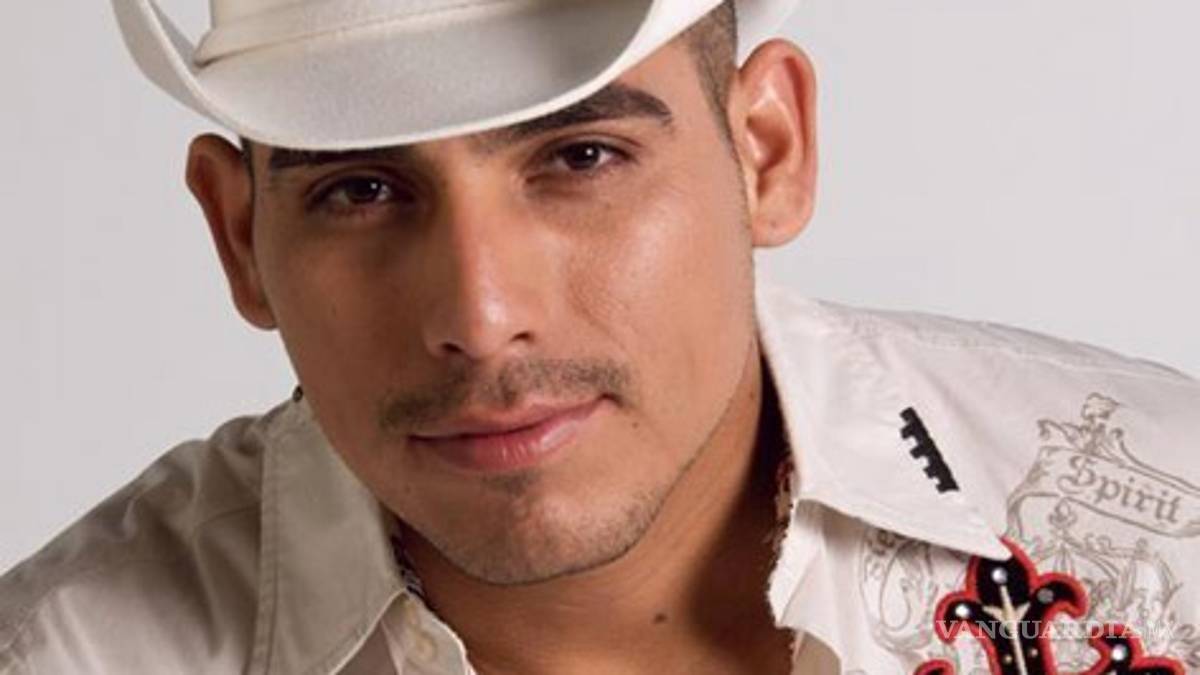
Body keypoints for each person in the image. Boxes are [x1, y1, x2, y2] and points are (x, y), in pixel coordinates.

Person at [2, 0, 1197, 673]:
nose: (480, 317)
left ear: (767, 150)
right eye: (360, 190)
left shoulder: (1175, 533)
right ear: (239, 235)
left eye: (580, 158)